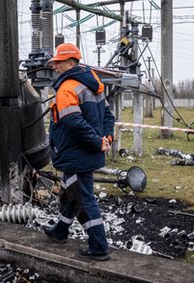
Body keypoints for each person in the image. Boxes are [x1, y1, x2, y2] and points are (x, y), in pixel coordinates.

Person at [43, 43, 115, 261]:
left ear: (71, 62)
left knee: (84, 199)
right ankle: (60, 231)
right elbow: (108, 118)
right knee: (68, 193)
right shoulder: (94, 86)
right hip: (85, 152)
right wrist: (106, 139)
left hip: (76, 154)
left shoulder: (68, 88)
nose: (54, 67)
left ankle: (98, 247)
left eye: (58, 63)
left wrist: (96, 142)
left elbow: (73, 122)